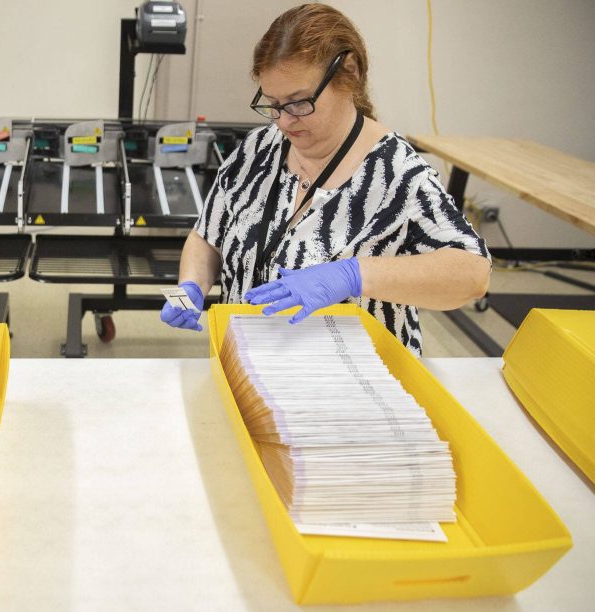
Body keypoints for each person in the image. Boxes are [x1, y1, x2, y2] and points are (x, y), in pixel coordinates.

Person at [160, 3, 490, 355]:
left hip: (351, 383)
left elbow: (471, 275)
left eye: (299, 102)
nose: (284, 121)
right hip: (249, 367)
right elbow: (207, 235)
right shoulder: (258, 149)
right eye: (273, 103)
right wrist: (189, 288)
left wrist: (353, 275)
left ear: (349, 74)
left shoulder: (398, 174)